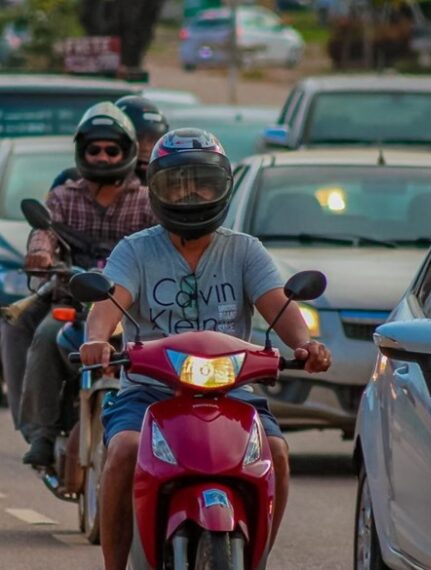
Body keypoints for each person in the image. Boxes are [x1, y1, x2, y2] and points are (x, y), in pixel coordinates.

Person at [78, 128, 332, 569]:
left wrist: (305, 345)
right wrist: (97, 340)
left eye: (204, 183)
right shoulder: (135, 250)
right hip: (149, 391)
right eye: (177, 184)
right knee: (121, 451)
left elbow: (277, 306)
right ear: (156, 189)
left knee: (277, 454)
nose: (191, 194)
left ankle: (257, 559)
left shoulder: (245, 251)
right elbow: (109, 303)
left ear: (224, 188)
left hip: (234, 392)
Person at [3, 96, 168, 429]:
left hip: (132, 310)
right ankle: (40, 433)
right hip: (72, 303)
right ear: (82, 153)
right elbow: (44, 231)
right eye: (95, 151)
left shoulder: (148, 201)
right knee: (47, 336)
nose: (103, 157)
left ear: (127, 151)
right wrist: (41, 254)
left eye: (112, 151)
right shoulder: (64, 194)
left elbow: (165, 242)